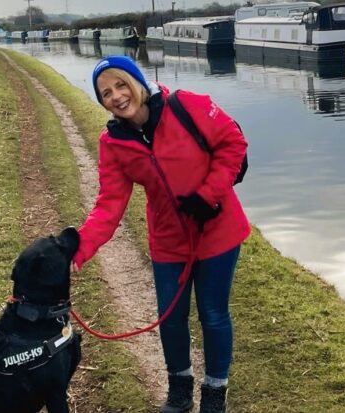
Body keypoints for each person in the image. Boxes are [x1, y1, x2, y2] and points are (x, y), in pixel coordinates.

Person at [70, 55, 250, 413]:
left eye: (121, 84)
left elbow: (234, 144)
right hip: (169, 241)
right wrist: (76, 252)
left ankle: (215, 394)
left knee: (213, 314)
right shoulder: (113, 143)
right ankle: (180, 391)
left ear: (137, 80)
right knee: (170, 316)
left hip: (217, 232)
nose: (117, 96)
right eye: (106, 93)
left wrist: (207, 195)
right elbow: (108, 206)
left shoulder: (188, 106)